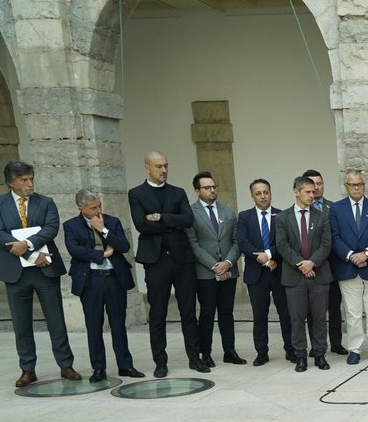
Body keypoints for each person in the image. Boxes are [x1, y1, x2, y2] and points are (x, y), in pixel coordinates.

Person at [0, 160, 81, 387]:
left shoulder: (46, 202)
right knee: (21, 323)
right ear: (11, 183)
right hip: (16, 272)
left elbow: (50, 228)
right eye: (24, 180)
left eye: (31, 179)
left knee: (56, 318)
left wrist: (27, 244)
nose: (30, 184)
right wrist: (30, 255)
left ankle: (65, 364)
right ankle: (27, 369)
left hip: (45, 269)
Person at [129, 151, 201, 376]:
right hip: (156, 261)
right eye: (159, 166)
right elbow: (142, 225)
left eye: (166, 166)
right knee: (158, 312)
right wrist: (172, 221)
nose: (164, 170)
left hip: (182, 259)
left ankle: (194, 358)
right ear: (147, 168)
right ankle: (160, 362)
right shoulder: (136, 194)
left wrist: (160, 217)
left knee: (188, 310)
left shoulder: (177, 192)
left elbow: (188, 220)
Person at [62, 188, 143, 382]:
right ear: (81, 209)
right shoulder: (71, 226)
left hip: (114, 277)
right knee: (94, 325)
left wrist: (103, 230)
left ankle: (125, 365)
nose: (98, 210)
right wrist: (103, 255)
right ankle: (99, 368)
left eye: (99, 205)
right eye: (93, 208)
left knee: (118, 324)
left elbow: (123, 246)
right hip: (91, 280)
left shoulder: (111, 221)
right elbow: (75, 250)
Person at [330, 170, 368, 365]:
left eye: (360, 184)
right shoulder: (336, 209)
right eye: (353, 185)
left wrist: (365, 254)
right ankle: (354, 349)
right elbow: (334, 237)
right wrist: (351, 256)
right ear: (346, 186)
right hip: (348, 268)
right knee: (353, 313)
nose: (357, 188)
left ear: (364, 186)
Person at [274, 176, 333, 372]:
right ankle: (300, 355)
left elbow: (326, 244)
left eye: (314, 191)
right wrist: (302, 265)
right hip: (294, 276)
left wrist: (312, 263)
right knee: (297, 318)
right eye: (308, 191)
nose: (312, 195)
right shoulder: (283, 218)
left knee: (318, 317)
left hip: (319, 274)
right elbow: (282, 245)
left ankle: (320, 354)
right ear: (296, 191)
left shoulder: (322, 216)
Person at [186, 171, 244, 368]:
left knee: (227, 312)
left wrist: (227, 262)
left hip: (229, 270)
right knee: (207, 313)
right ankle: (206, 353)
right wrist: (214, 265)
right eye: (207, 187)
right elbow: (193, 245)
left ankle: (230, 351)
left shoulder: (228, 211)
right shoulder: (190, 212)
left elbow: (237, 241)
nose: (212, 190)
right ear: (197, 190)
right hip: (205, 272)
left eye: (214, 187)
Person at [238, 178, 294, 366]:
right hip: (256, 274)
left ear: (270, 193)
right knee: (259, 315)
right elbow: (243, 243)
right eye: (258, 193)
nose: (263, 196)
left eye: (266, 192)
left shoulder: (282, 215)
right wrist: (261, 259)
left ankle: (291, 349)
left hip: (278, 272)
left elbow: (284, 242)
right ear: (252, 196)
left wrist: (269, 256)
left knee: (285, 313)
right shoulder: (245, 217)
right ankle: (261, 352)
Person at [303, 168, 346, 357]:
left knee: (334, 307)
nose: (317, 188)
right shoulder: (302, 209)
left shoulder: (334, 208)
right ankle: (316, 345)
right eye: (312, 185)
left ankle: (336, 343)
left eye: (319, 183)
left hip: (333, 265)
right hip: (311, 267)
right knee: (313, 310)